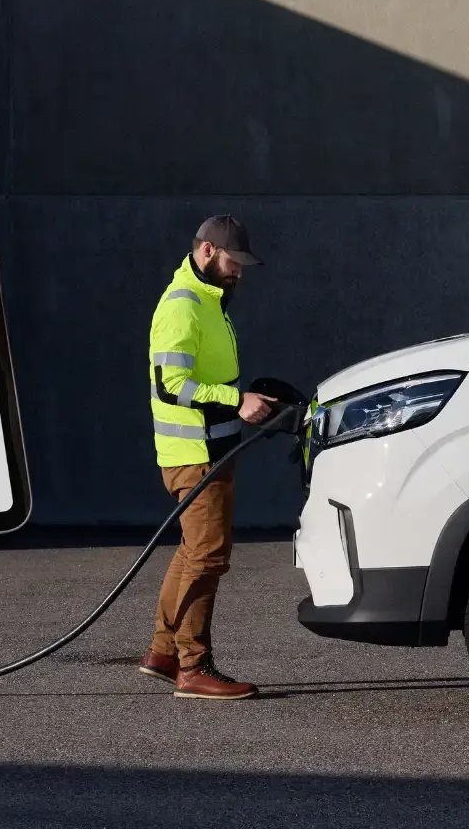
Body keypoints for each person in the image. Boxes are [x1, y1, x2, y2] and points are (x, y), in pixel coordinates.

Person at [138, 215, 275, 700]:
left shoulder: (210, 302)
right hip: (193, 454)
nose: (240, 272)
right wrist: (236, 401)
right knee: (208, 556)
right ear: (208, 251)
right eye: (235, 261)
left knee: (193, 552)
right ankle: (193, 668)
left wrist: (246, 397)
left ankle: (163, 653)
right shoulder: (183, 306)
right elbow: (170, 384)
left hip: (209, 448)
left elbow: (204, 377)